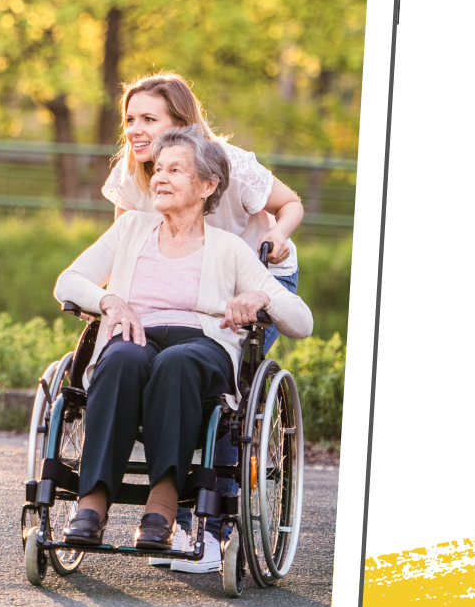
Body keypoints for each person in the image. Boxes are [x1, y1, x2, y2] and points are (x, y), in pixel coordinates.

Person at [53, 126, 313, 552]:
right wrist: (109, 301)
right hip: (137, 335)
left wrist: (262, 294)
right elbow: (68, 281)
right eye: (157, 169)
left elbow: (301, 321)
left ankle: (162, 505)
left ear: (207, 186)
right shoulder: (131, 229)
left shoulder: (229, 249)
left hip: (202, 346)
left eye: (175, 170)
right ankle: (92, 503)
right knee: (119, 360)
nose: (159, 178)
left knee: (177, 364)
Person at [101, 73, 304, 572]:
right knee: (148, 360)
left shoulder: (228, 163)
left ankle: (212, 529)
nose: (135, 129)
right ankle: (155, 506)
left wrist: (276, 236)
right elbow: (126, 249)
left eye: (150, 118)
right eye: (130, 119)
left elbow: (290, 202)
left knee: (225, 393)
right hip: (178, 290)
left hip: (254, 276)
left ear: (181, 123)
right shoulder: (134, 173)